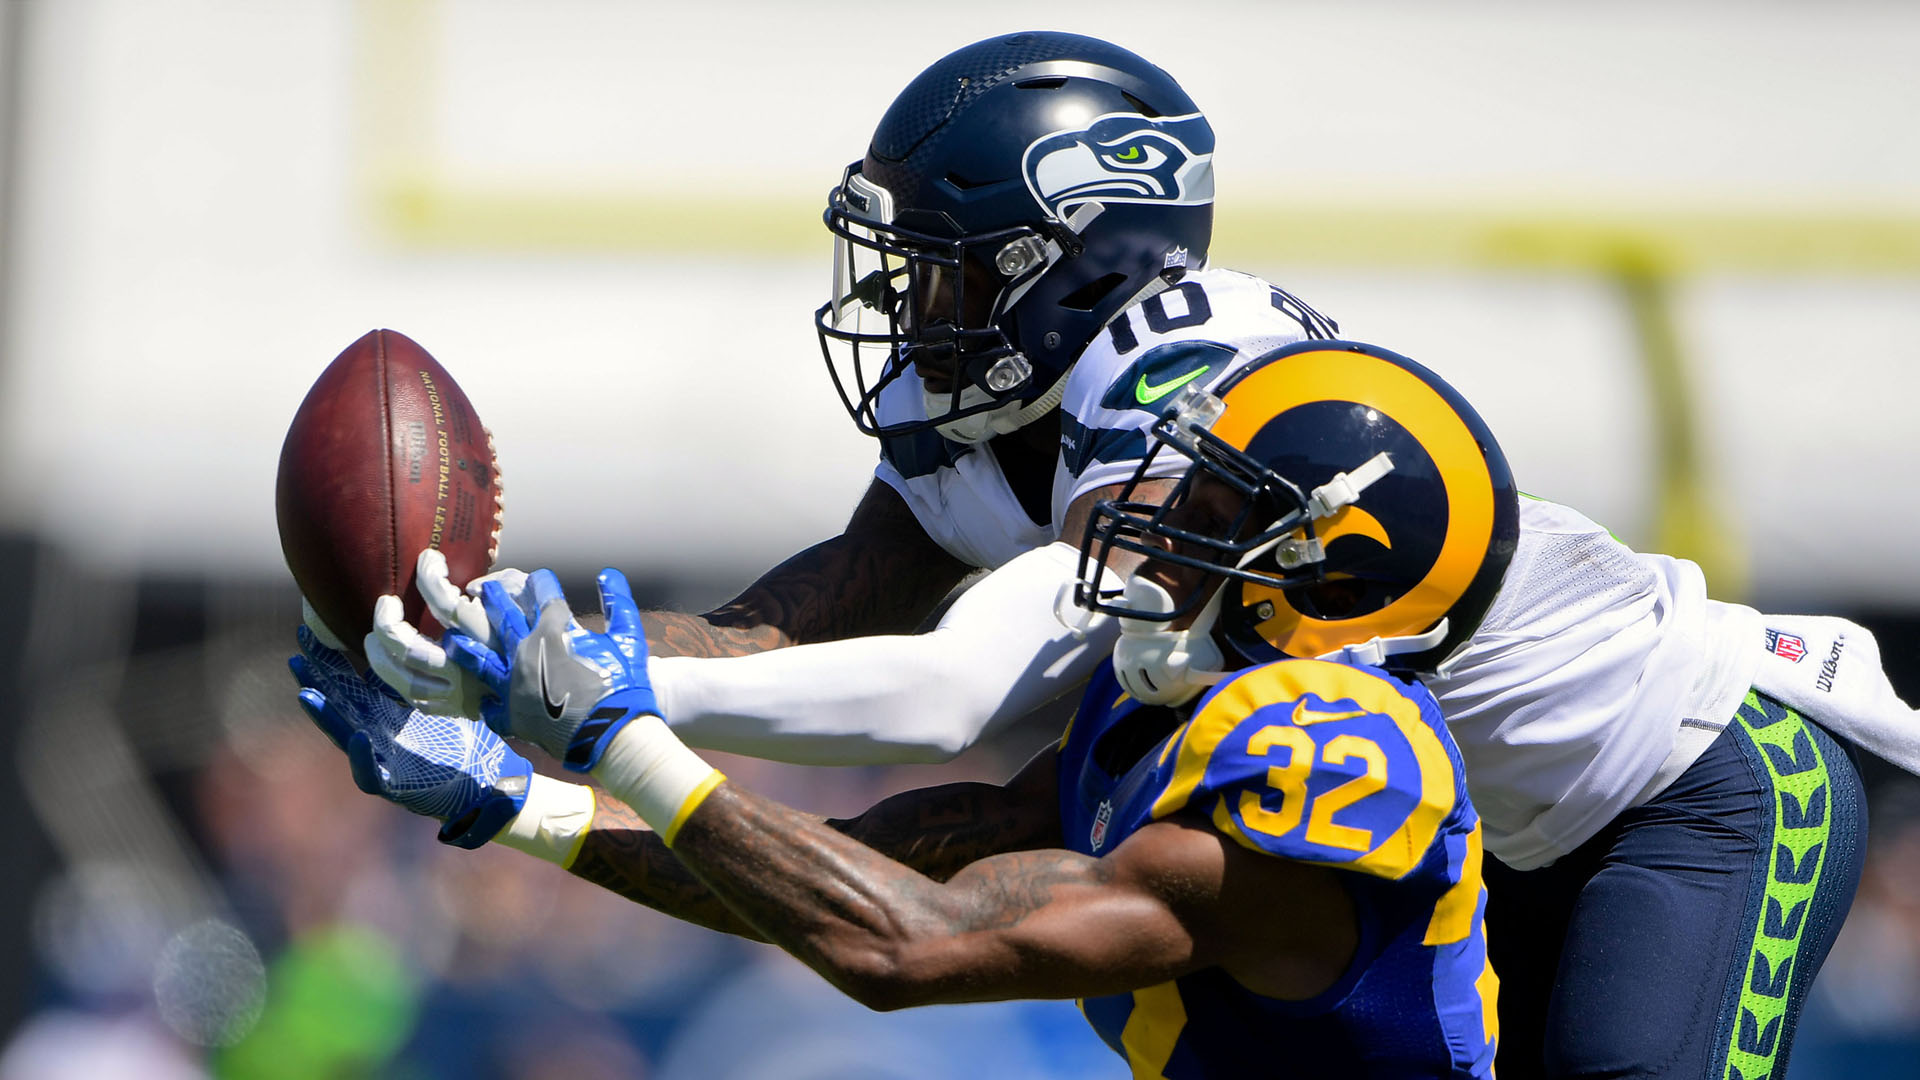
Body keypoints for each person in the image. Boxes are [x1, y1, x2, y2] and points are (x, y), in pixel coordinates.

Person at [330, 30, 1905, 1079]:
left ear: (1058, 267)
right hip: (1445, 789)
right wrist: (504, 670)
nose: (905, 309)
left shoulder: (1179, 400)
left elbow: (948, 690)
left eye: (940, 274)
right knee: (978, 850)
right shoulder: (1079, 490)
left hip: (1689, 779)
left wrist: (604, 709)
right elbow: (811, 671)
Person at [297, 341, 1513, 1078]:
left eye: (1212, 516)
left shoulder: (1343, 755)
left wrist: (627, 738)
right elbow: (841, 880)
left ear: (1333, 580)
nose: (1156, 531)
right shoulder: (1172, 715)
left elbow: (911, 945)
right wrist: (514, 798)